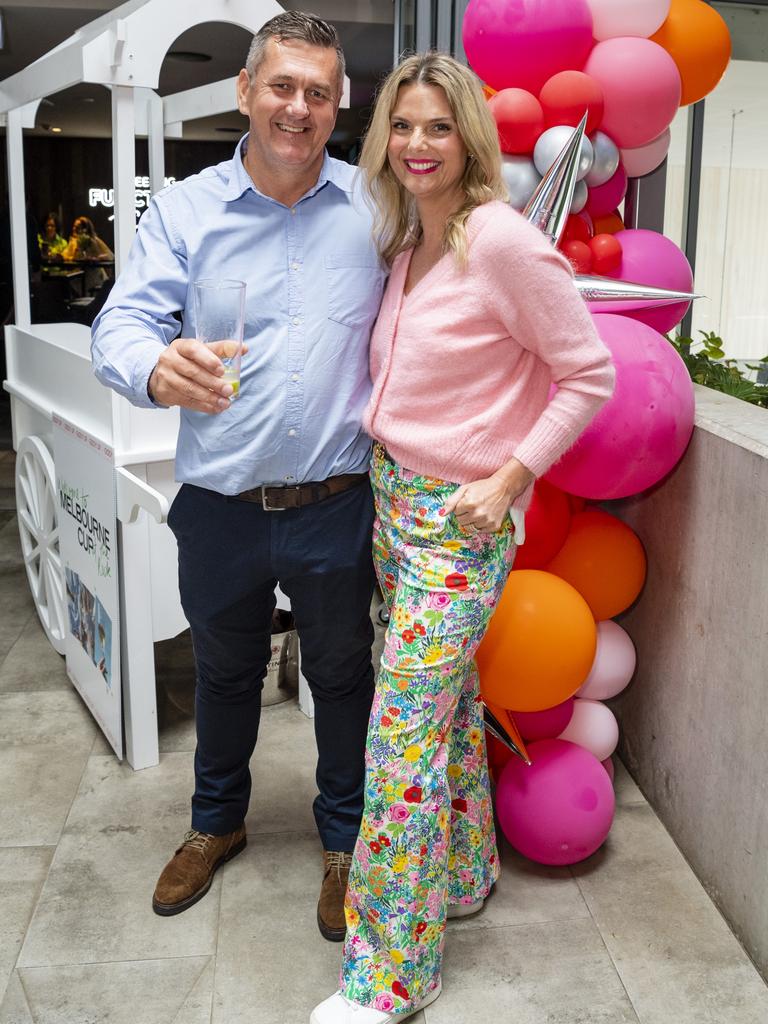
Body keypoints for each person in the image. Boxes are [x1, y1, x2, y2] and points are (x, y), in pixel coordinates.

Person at [311, 53, 615, 1024]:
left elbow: (590, 375)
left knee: (396, 735)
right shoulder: (412, 240)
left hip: (462, 519)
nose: (417, 144)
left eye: (439, 126)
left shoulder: (501, 241)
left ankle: (394, 975)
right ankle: (465, 872)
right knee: (440, 713)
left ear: (469, 136)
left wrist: (511, 476)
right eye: (403, 126)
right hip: (396, 503)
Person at [91, 12, 386, 939]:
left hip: (337, 501)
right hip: (219, 505)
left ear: (339, 105)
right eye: (283, 86)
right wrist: (151, 365)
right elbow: (121, 324)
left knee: (342, 675)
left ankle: (346, 840)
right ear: (246, 92)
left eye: (320, 93)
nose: (299, 108)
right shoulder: (184, 210)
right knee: (224, 674)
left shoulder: (377, 208)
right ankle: (215, 825)